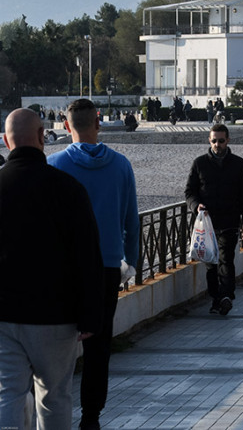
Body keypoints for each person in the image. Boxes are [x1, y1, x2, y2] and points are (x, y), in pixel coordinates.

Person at [0, 108, 103, 429]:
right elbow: (88, 256)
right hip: (56, 316)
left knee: (8, 394)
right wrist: (89, 315)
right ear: (43, 137)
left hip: (3, 316)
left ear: (6, 141)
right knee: (55, 396)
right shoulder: (67, 188)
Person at [46, 99, 140, 430]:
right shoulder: (121, 165)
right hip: (107, 266)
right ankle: (91, 415)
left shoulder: (55, 165)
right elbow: (131, 220)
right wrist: (133, 261)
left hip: (65, 268)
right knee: (99, 344)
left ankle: (55, 411)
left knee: (58, 343)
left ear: (67, 126)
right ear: (98, 123)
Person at [185, 124, 243, 315]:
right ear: (209, 140)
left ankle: (225, 296)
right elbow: (189, 191)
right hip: (206, 224)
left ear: (228, 140)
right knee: (211, 264)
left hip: (230, 221)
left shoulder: (238, 164)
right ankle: (216, 298)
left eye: (221, 141)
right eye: (214, 140)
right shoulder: (199, 163)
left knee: (226, 259)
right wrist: (195, 205)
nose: (217, 144)